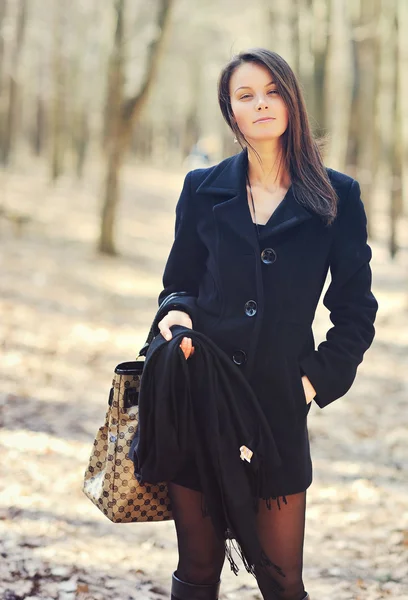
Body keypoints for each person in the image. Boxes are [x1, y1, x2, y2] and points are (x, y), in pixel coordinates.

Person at [156, 48, 378, 600]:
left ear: (292, 99)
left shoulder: (336, 196)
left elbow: (356, 310)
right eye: (245, 95)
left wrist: (311, 381)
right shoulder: (202, 189)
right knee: (198, 571)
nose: (261, 104)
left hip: (277, 407)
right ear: (230, 112)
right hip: (198, 393)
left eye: (272, 90)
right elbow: (178, 283)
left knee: (281, 580)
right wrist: (176, 315)